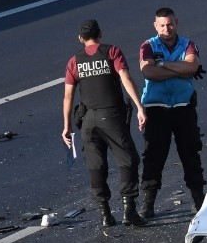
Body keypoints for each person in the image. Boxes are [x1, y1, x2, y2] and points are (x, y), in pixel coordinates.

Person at [62, 19, 148, 227]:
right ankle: (129, 210)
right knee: (127, 159)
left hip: (88, 121)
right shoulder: (112, 52)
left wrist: (66, 127)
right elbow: (125, 78)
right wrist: (139, 107)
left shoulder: (74, 61)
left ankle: (105, 214)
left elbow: (68, 97)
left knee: (95, 165)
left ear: (81, 39)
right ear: (100, 34)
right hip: (111, 116)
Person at [138, 7, 207, 219]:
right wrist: (179, 68)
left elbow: (192, 68)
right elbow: (147, 71)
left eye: (170, 24)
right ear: (155, 26)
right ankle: (148, 204)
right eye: (162, 25)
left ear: (176, 22)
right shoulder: (148, 45)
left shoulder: (188, 44)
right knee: (153, 156)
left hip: (183, 107)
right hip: (156, 108)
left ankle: (199, 200)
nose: (166, 29)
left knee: (190, 153)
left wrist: (164, 65)